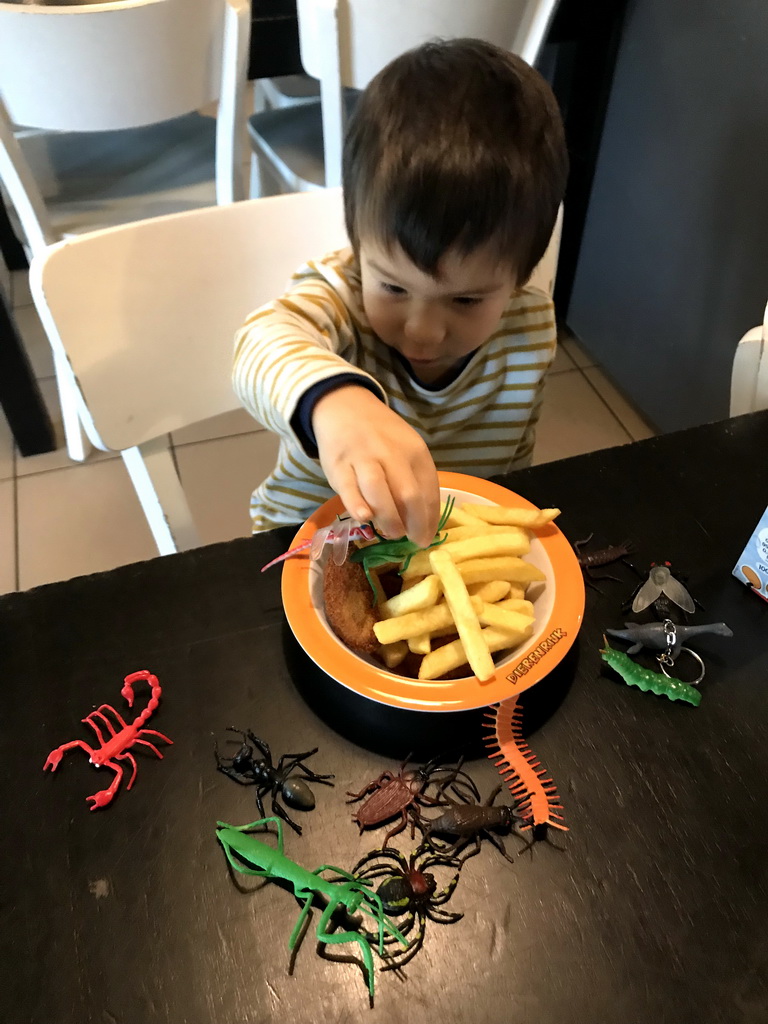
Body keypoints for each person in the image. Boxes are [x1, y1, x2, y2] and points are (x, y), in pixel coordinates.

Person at [233, 38, 568, 549]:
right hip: (303, 538)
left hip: (442, 542)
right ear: (358, 244)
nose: (423, 329)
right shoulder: (340, 294)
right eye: (392, 286)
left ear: (520, 277)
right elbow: (261, 342)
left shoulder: (529, 328)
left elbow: (508, 479)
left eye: (466, 300)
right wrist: (337, 403)